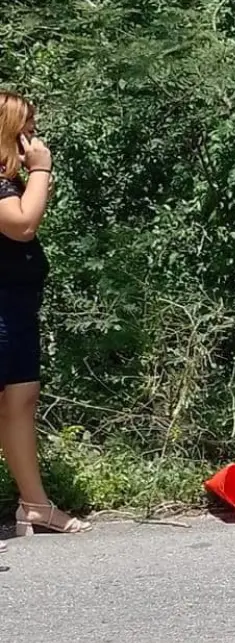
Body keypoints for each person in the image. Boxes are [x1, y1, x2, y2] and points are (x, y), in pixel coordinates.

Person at [0, 92, 92, 549]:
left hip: (16, 304)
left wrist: (32, 175)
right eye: (28, 127)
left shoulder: (7, 177)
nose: (34, 136)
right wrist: (41, 169)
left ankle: (33, 504)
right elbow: (21, 224)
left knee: (22, 399)